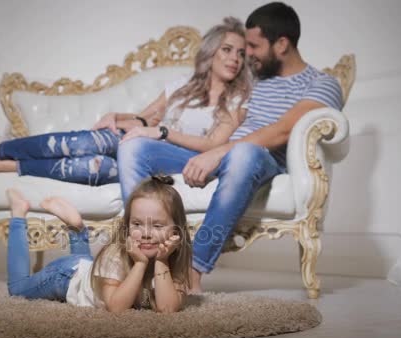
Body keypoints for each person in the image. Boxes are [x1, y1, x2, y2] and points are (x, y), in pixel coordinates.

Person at [117, 2, 344, 293]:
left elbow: (282, 130)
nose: (245, 54)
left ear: (282, 44)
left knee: (244, 153)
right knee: (134, 146)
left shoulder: (322, 83)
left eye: (253, 46)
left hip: (260, 158)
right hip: (214, 152)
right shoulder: (252, 76)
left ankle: (192, 270)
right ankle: (139, 258)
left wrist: (218, 152)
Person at [0, 17, 251, 187]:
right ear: (211, 52)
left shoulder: (238, 99)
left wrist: (161, 133)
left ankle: (0, 168)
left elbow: (214, 145)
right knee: (87, 147)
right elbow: (145, 120)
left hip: (169, 159)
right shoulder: (180, 86)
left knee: (94, 167)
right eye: (227, 50)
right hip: (138, 143)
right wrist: (117, 116)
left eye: (241, 54)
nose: (234, 59)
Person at [6, 175, 192, 312]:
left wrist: (162, 261)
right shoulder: (114, 255)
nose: (145, 234)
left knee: (88, 264)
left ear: (176, 230)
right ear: (127, 225)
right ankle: (18, 213)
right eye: (136, 224)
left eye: (157, 225)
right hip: (65, 277)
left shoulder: (175, 258)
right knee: (17, 288)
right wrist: (141, 263)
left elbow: (167, 309)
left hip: (90, 269)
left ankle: (77, 228)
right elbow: (116, 308)